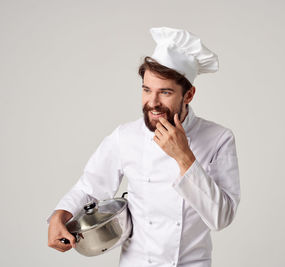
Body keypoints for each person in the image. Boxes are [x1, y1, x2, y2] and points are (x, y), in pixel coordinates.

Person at [47, 26, 241, 267]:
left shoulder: (218, 138)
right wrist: (61, 214)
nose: (153, 103)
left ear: (188, 95)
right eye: (147, 90)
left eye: (165, 92)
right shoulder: (125, 136)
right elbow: (91, 186)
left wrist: (184, 157)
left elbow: (221, 218)